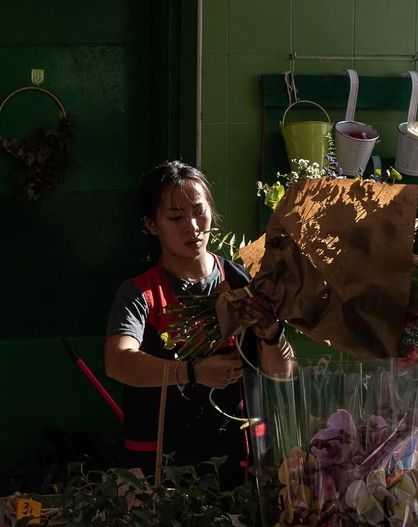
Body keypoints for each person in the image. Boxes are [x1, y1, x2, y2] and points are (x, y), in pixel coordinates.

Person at [103, 161, 296, 488]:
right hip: (163, 466)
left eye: (199, 212)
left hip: (239, 458)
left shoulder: (242, 282)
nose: (191, 226)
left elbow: (283, 372)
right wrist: (191, 372)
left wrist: (272, 334)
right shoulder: (142, 293)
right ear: (152, 225)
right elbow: (117, 362)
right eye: (175, 217)